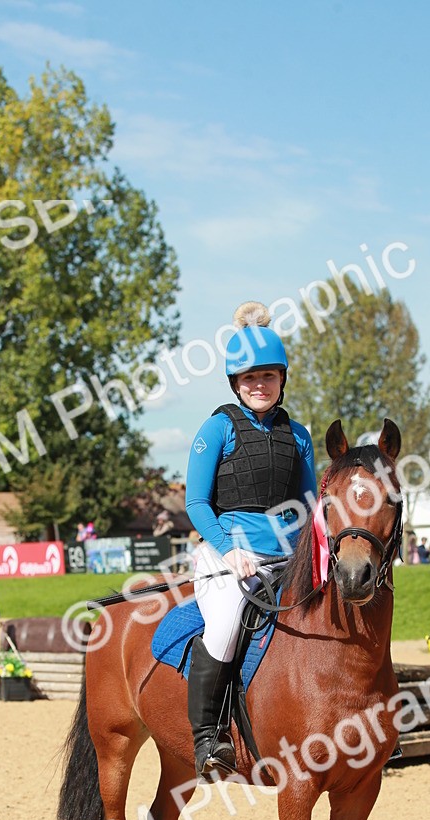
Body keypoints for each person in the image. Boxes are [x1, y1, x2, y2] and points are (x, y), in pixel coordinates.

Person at [184, 302, 316, 777]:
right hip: (228, 558)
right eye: (250, 377)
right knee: (224, 626)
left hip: (289, 561)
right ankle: (207, 739)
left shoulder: (298, 436)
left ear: (282, 379)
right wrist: (228, 548)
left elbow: (310, 505)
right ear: (235, 383)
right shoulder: (217, 427)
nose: (259, 385)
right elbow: (196, 502)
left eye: (268, 376)